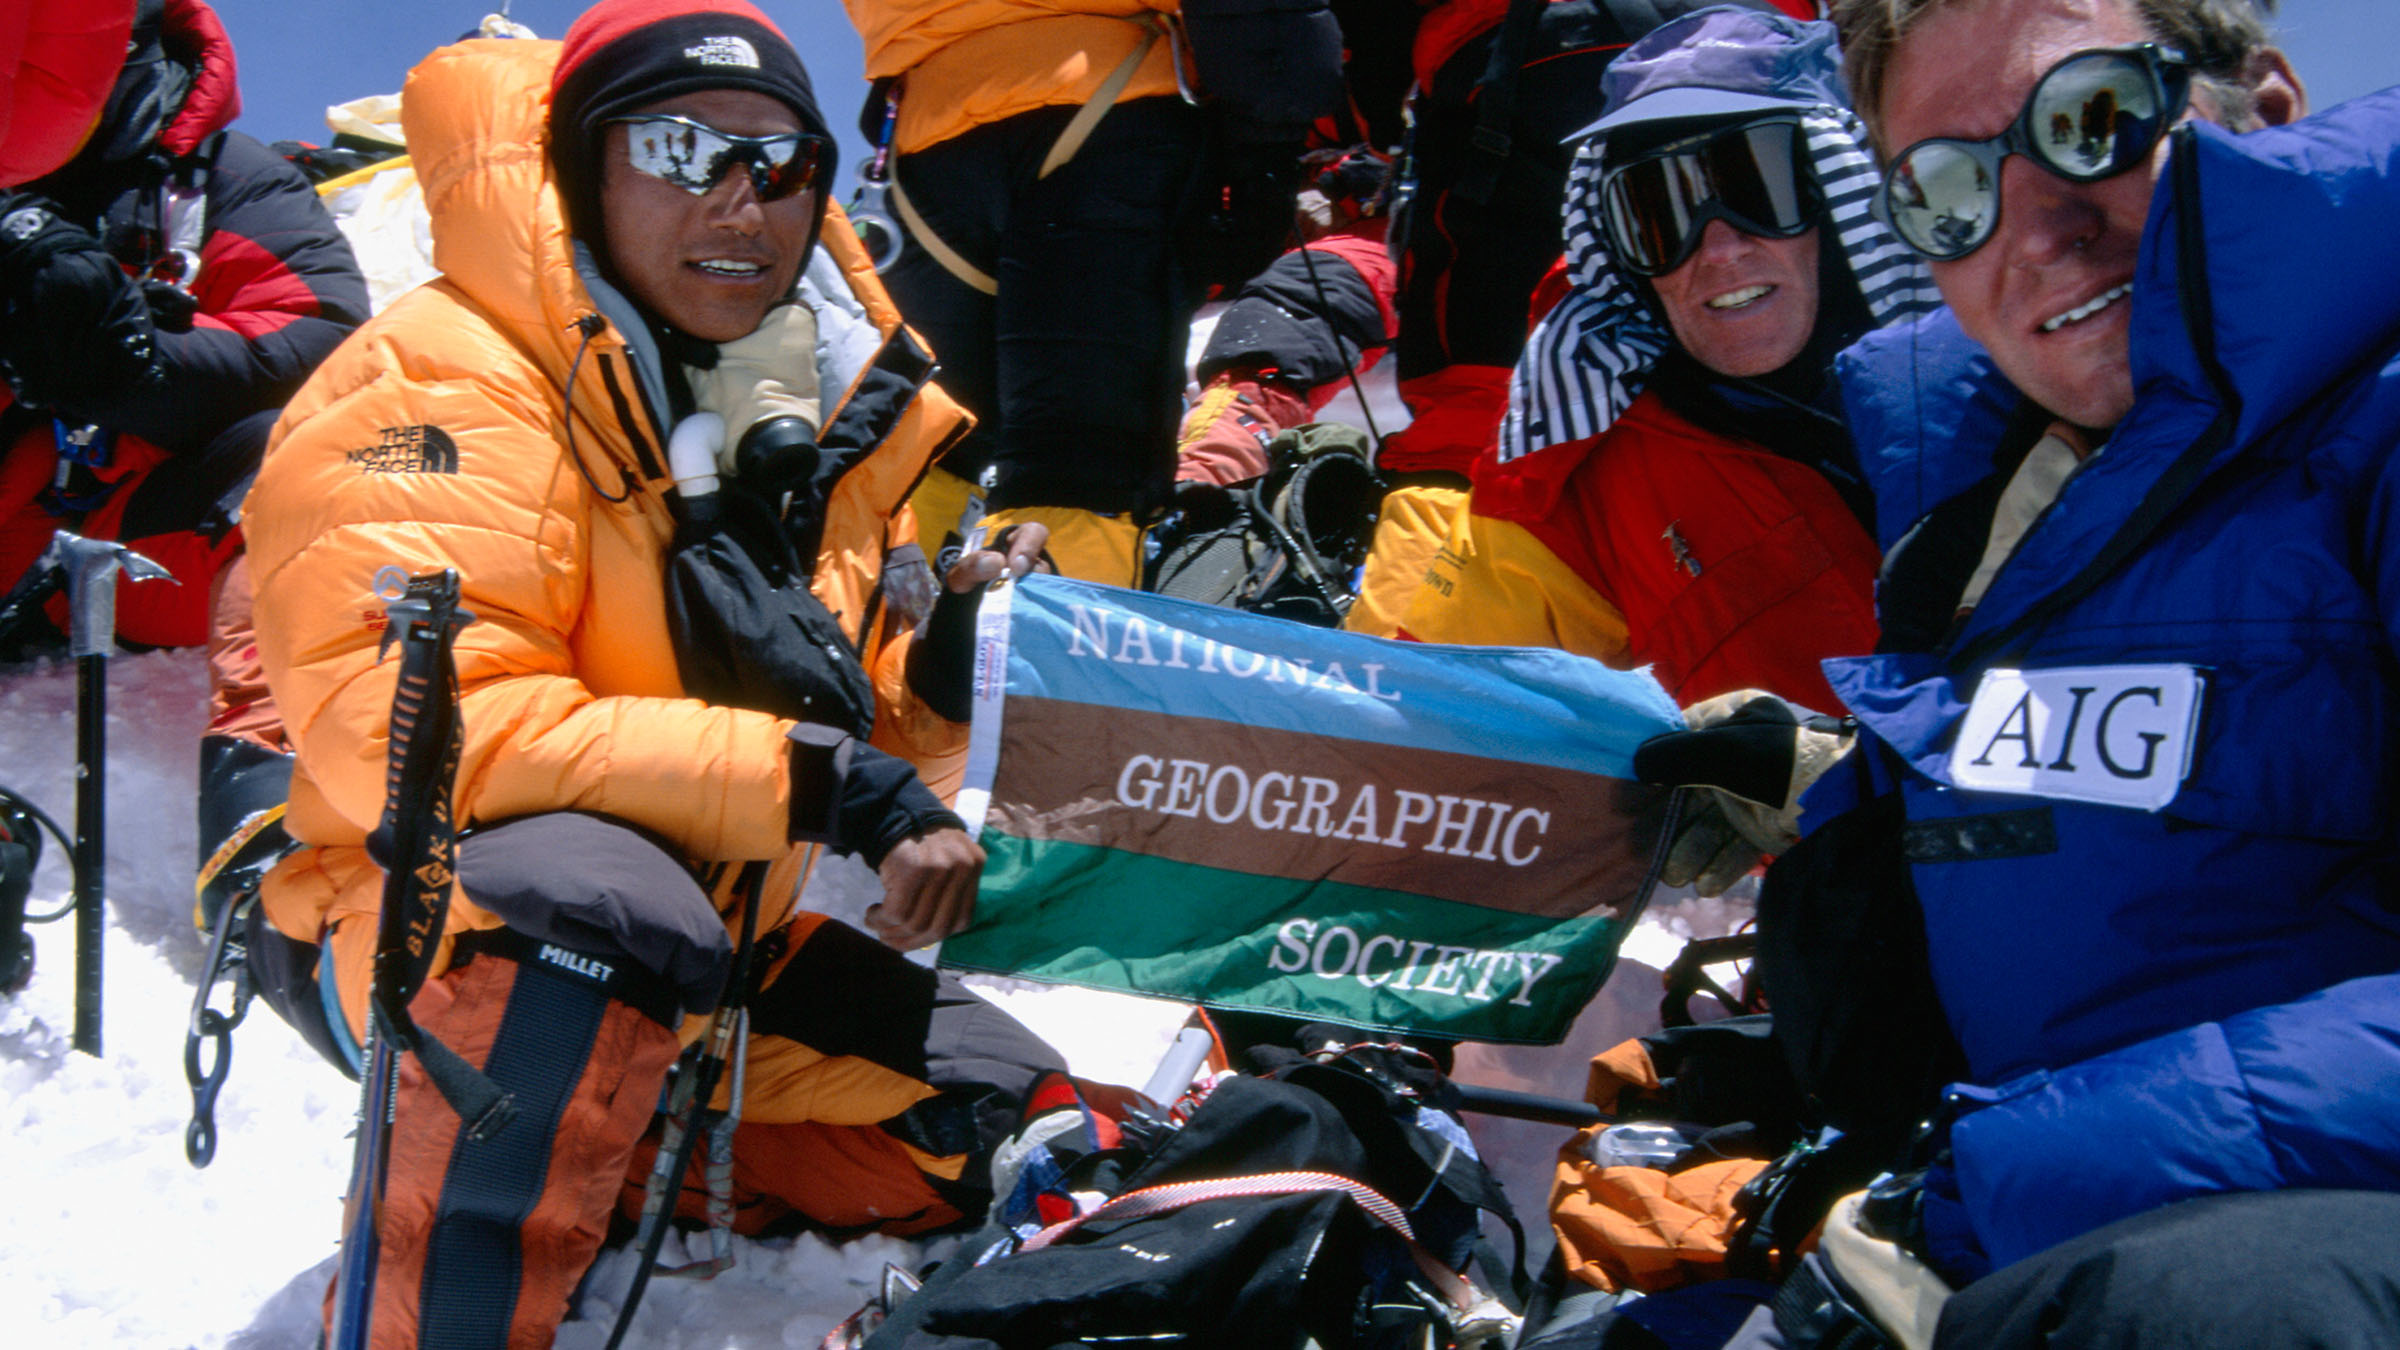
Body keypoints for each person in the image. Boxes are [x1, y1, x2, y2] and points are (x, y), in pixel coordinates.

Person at [240, 4, 1076, 1343]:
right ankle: (425, 1309)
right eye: (683, 148)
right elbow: (435, 743)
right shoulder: (436, 381)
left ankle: (598, 1163)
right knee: (584, 902)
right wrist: (830, 783)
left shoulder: (799, 427)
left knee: (1016, 1112)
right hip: (435, 928)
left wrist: (952, 669)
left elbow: (860, 748)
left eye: (782, 161)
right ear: (583, 169)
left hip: (716, 952)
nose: (740, 197)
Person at [1662, 0, 2400, 1337]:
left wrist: (1977, 1192)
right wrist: (1835, 788)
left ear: (2267, 105)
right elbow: (2145, 764)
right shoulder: (1993, 484)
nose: (2030, 228)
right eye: (1944, 194)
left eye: (2090, 122)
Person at [1395, 5, 1934, 893]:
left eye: (1757, 185)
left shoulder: (2007, 371)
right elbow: (1437, 730)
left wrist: (1853, 777)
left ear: (1843, 198)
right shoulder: (1579, 453)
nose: (1716, 249)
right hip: (1858, 937)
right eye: (1658, 211)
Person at [841, 0, 1342, 586]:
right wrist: (1267, 149)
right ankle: (1044, 663)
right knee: (1082, 455)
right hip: (1109, 107)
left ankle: (885, 648)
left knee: (929, 446)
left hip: (926, 126)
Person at [0, 0, 367, 650]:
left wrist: (139, 358)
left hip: (105, 549)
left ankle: (258, 732)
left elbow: (320, 338)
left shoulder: (227, 181)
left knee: (331, 452)